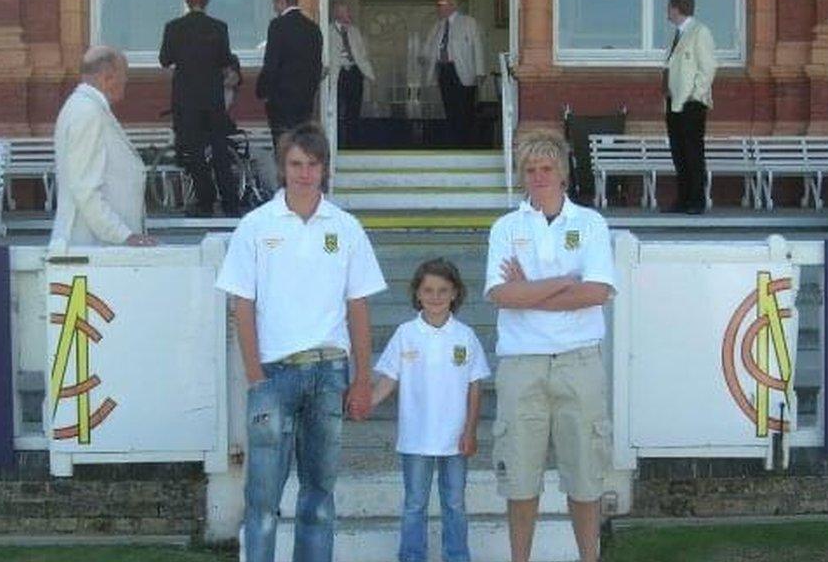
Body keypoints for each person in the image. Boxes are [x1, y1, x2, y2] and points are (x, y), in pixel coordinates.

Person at [215, 123, 386, 562]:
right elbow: (242, 305)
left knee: (319, 500)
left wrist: (363, 378)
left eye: (312, 165)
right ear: (282, 166)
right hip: (273, 374)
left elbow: (359, 307)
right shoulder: (255, 226)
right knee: (263, 501)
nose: (304, 173)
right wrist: (255, 375)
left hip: (330, 373)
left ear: (324, 169)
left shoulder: (346, 228)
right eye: (296, 164)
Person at [484, 129, 616, 562]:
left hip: (579, 362)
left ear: (562, 173)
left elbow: (596, 292)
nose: (538, 176)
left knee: (585, 478)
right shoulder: (506, 227)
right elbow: (502, 295)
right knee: (520, 480)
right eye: (530, 169)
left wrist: (532, 290)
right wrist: (562, 283)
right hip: (522, 364)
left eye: (546, 168)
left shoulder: (590, 223)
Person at [371, 258, 490, 562]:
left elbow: (474, 386)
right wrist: (365, 402)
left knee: (454, 503)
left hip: (455, 438)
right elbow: (388, 379)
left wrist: (470, 430)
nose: (435, 297)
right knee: (414, 503)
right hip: (416, 437)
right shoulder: (405, 334)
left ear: (455, 293)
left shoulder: (465, 336)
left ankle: (457, 556)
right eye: (428, 290)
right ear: (417, 294)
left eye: (443, 290)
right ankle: (412, 556)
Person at [50, 46, 157, 248]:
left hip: (99, 247)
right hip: (92, 248)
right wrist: (123, 235)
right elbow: (85, 187)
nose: (126, 81)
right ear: (107, 77)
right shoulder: (87, 112)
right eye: (124, 75)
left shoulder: (87, 108)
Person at [159, 0, 239, 218]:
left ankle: (206, 201)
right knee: (220, 151)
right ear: (206, 2)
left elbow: (165, 59)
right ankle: (231, 203)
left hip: (187, 101)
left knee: (194, 153)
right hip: (213, 100)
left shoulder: (173, 27)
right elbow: (226, 59)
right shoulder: (219, 28)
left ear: (187, 2)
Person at [663, 0, 717, 215]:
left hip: (691, 103)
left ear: (677, 8)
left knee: (693, 152)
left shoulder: (699, 32)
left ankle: (697, 200)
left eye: (669, 7)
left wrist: (696, 94)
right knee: (679, 152)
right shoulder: (677, 34)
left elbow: (709, 67)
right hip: (674, 103)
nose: (667, 11)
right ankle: (683, 199)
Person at [256, 0, 324, 148]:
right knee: (301, 145)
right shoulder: (313, 28)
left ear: (282, 1)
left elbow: (271, 63)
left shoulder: (278, 26)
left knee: (282, 146)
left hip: (281, 99)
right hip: (305, 100)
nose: (274, 8)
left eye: (275, 4)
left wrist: (262, 90)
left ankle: (285, 173)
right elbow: (317, 66)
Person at [422, 0, 486, 145]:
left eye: (441, 4)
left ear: (452, 5)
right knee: (449, 107)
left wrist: (480, 71)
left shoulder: (468, 22)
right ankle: (454, 142)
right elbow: (430, 45)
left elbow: (478, 46)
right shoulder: (438, 25)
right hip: (444, 70)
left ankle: (467, 143)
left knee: (465, 108)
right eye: (437, 4)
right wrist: (424, 56)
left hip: (463, 70)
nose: (438, 7)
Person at [329, 3, 375, 146]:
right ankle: (335, 143)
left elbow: (362, 54)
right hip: (338, 73)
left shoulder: (354, 31)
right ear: (338, 14)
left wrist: (370, 74)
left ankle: (352, 144)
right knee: (335, 110)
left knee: (354, 110)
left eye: (348, 12)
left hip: (354, 73)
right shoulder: (327, 31)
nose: (349, 15)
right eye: (346, 12)